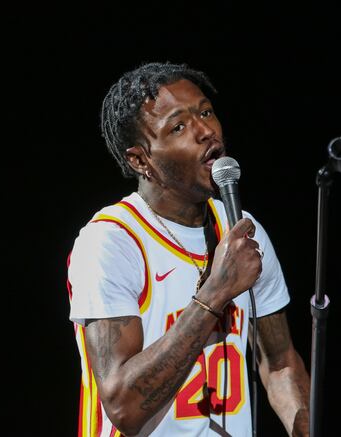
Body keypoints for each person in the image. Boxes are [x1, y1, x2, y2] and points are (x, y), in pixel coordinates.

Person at [67, 61, 310, 437]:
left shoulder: (244, 232)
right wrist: (216, 291)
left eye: (206, 112)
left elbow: (279, 363)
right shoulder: (112, 241)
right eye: (178, 126)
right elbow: (122, 406)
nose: (205, 131)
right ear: (140, 159)